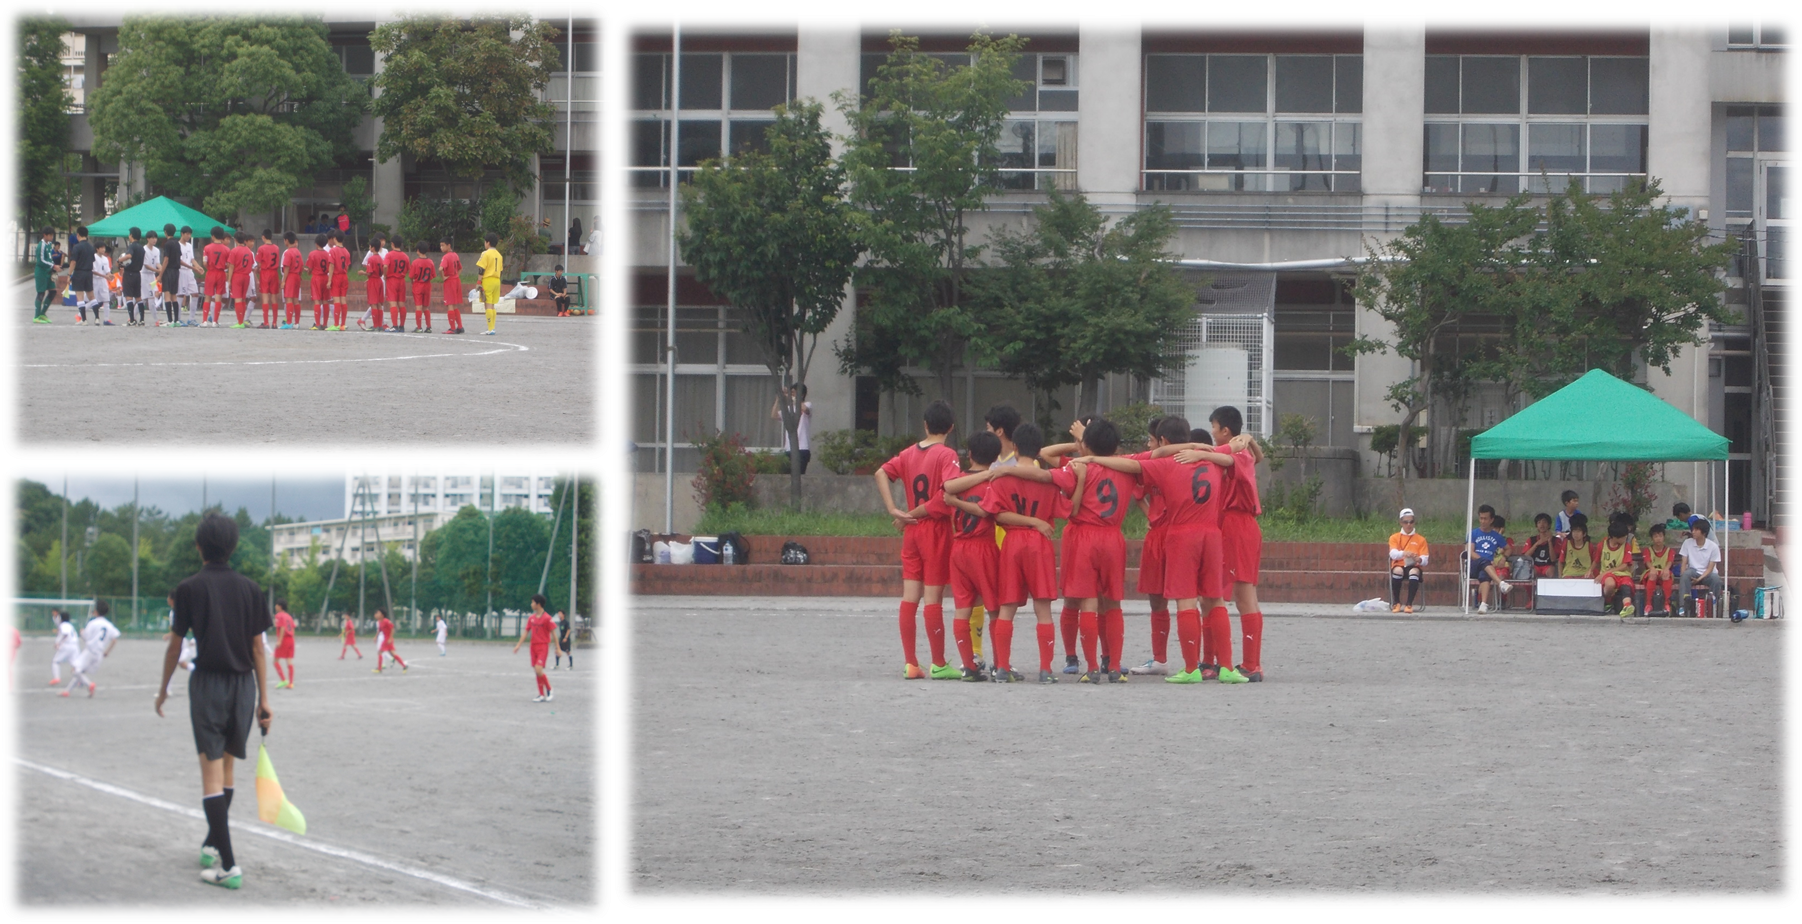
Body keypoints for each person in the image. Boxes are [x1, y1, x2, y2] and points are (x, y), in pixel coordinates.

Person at [155, 513, 273, 890]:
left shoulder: (188, 588)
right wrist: (264, 701)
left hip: (207, 684)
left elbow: (175, 647)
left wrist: (163, 689)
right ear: (234, 546)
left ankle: (229, 865)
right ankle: (211, 843)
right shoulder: (251, 589)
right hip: (243, 687)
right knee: (226, 771)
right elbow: (258, 648)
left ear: (198, 546)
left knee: (210, 774)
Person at [1080, 416, 1241, 683]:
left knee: (1185, 600)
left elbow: (1131, 464)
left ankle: (1190, 669)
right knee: (1216, 600)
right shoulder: (1212, 456)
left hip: (1182, 533)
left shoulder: (1166, 464)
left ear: (1164, 440)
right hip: (1212, 533)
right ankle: (1227, 667)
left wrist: (1093, 459)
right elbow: (1238, 449)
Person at [974, 423, 1071, 683]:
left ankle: (1003, 667)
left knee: (1007, 607)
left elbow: (995, 514)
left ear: (1014, 446)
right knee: (1044, 609)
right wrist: (1036, 521)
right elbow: (1067, 508)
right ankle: (1045, 670)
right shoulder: (1049, 479)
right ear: (1039, 450)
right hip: (1039, 544)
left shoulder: (1003, 477)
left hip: (1013, 542)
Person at [873, 399, 962, 680]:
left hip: (911, 532)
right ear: (950, 427)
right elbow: (946, 495)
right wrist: (909, 513)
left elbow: (880, 473)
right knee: (933, 596)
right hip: (934, 529)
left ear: (925, 425)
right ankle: (938, 663)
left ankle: (911, 663)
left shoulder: (908, 453)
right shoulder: (947, 455)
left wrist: (894, 510)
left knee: (910, 596)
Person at [939, 431, 1005, 681]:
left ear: (970, 454)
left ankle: (968, 666)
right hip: (984, 547)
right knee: (994, 609)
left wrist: (954, 502)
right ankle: (1000, 664)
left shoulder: (958, 480)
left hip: (959, 549)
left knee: (962, 609)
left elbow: (947, 490)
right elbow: (986, 512)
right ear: (996, 456)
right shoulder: (992, 482)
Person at [63, 600, 121, 697]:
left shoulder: (92, 623)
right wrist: (107, 652)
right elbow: (114, 640)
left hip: (90, 651)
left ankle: (89, 685)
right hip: (99, 653)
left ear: (96, 611)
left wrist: (82, 632)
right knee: (80, 672)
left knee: (75, 670)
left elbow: (86, 638)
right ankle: (67, 691)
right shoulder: (109, 625)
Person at [1466, 504, 1511, 613]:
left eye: (1485, 519)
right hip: (1473, 565)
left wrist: (1504, 557)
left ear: (1491, 520)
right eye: (1481, 518)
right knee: (1485, 563)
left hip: (1487, 568)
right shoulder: (1473, 533)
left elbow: (1508, 548)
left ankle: (1483, 604)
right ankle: (1501, 583)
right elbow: (1470, 552)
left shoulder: (1497, 536)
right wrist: (1484, 560)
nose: (1483, 521)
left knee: (1484, 574)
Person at [512, 594, 557, 701]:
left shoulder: (547, 618)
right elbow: (526, 632)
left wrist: (558, 648)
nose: (531, 604)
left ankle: (549, 689)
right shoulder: (531, 618)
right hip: (533, 647)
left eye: (533, 602)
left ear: (538, 604)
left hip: (543, 646)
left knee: (538, 669)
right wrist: (518, 645)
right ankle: (541, 694)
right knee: (536, 671)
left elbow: (554, 633)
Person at [1676, 518, 1724, 616]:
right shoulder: (1687, 543)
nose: (1693, 532)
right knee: (1686, 574)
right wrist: (1682, 574)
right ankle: (1683, 606)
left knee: (1716, 579)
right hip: (1693, 571)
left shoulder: (1713, 547)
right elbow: (1684, 562)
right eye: (1692, 529)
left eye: (1696, 530)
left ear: (1703, 532)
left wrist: (1699, 579)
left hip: (1707, 574)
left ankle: (1712, 603)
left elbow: (1710, 568)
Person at [1388, 508, 1429, 613]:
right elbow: (1392, 554)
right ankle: (1396, 602)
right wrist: (1404, 553)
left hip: (1414, 566)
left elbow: (1425, 560)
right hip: (1399, 565)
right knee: (1398, 571)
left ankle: (1409, 604)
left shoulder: (1421, 539)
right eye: (1405, 522)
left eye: (1411, 521)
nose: (1408, 524)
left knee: (1414, 572)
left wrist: (1418, 559)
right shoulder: (1394, 537)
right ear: (1401, 522)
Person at [1597, 515, 1639, 615]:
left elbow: (1625, 565)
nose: (1626, 538)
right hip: (1608, 575)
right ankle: (1608, 602)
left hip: (1623, 574)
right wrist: (1592, 571)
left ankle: (1627, 606)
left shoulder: (1626, 546)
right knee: (1610, 584)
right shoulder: (1602, 545)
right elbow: (1596, 561)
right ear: (1615, 537)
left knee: (1626, 585)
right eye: (1624, 537)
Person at [770, 384, 813, 474]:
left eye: (794, 393)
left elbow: (805, 410)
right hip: (789, 448)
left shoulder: (807, 404)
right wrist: (778, 399)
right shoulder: (789, 409)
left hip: (802, 447)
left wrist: (793, 398)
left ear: (801, 394)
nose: (792, 395)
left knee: (799, 474)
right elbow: (774, 415)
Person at [1641, 523, 1678, 616]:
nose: (1658, 539)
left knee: (1666, 575)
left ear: (1664, 537)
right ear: (1652, 538)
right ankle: (1648, 604)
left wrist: (1666, 569)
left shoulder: (1670, 551)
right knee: (1652, 574)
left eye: (1660, 536)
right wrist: (1652, 569)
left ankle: (1667, 603)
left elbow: (1669, 562)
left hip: (1663, 574)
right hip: (1651, 574)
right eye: (1655, 536)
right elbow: (1648, 562)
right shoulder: (1647, 550)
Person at [201, 228, 229, 327]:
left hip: (211, 272)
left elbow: (205, 262)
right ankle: (215, 321)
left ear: (212, 236)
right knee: (218, 296)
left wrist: (209, 267)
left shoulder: (207, 248)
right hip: (221, 273)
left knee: (208, 296)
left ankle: (204, 321)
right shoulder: (226, 249)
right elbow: (228, 264)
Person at [476, 232, 503, 335]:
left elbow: (481, 268)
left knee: (487, 304)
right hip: (497, 280)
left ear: (488, 242)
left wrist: (479, 281)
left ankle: (490, 329)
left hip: (488, 280)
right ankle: (492, 327)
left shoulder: (485, 253)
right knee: (492, 305)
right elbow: (501, 271)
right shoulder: (499, 255)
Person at [69, 225, 96, 325]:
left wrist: (69, 274)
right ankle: (97, 318)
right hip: (89, 273)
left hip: (79, 272)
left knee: (79, 297)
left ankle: (83, 319)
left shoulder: (77, 247)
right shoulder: (91, 247)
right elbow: (92, 261)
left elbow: (73, 262)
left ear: (78, 235)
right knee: (92, 297)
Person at [32, 228, 60, 322]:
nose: (52, 237)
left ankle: (43, 313)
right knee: (41, 293)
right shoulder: (41, 245)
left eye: (52, 235)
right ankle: (36, 316)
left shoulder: (49, 244)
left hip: (48, 271)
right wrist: (53, 266)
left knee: (53, 292)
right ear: (45, 235)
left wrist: (54, 267)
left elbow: (49, 258)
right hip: (41, 272)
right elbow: (41, 260)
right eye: (50, 235)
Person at [328, 230, 353, 330]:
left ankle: (336, 324)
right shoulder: (346, 251)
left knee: (336, 299)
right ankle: (342, 324)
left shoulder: (333, 251)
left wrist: (329, 280)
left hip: (336, 276)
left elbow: (331, 265)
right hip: (344, 276)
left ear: (334, 239)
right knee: (343, 299)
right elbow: (347, 266)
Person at [384, 235, 410, 331]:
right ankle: (402, 326)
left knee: (393, 303)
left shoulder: (389, 255)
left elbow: (385, 266)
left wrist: (385, 275)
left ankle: (394, 326)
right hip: (401, 280)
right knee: (401, 304)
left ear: (392, 244)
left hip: (392, 280)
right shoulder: (405, 256)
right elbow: (408, 269)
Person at [120, 228, 146, 326]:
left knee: (129, 296)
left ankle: (131, 320)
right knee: (138, 297)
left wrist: (119, 260)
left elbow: (129, 256)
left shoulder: (132, 246)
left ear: (131, 235)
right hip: (137, 274)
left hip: (129, 273)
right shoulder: (141, 248)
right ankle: (142, 319)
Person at [439, 238, 466, 334]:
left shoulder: (446, 257)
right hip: (456, 280)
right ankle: (460, 326)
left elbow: (440, 268)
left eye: (443, 245)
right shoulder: (455, 255)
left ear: (449, 245)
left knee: (450, 304)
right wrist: (456, 275)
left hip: (450, 281)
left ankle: (452, 328)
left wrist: (444, 277)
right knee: (455, 305)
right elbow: (460, 268)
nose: (441, 247)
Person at [359, 237, 386, 331]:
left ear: (373, 248)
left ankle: (375, 325)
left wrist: (363, 273)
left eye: (370, 246)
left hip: (373, 281)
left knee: (373, 303)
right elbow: (382, 271)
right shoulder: (381, 258)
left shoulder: (371, 259)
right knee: (379, 303)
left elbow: (370, 273)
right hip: (379, 280)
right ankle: (379, 325)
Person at [256, 230, 281, 329]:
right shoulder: (276, 248)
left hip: (265, 272)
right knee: (274, 298)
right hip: (274, 272)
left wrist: (257, 270)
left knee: (265, 297)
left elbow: (259, 263)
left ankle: (266, 322)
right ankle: (274, 323)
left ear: (263, 237)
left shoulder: (261, 248)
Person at [1558, 515, 1596, 580]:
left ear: (1584, 534)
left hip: (1585, 575)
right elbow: (1560, 561)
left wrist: (1590, 572)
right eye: (1574, 531)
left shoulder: (1589, 545)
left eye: (1578, 531)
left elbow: (1595, 562)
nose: (1576, 534)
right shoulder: (1566, 543)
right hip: (1569, 574)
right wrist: (1560, 577)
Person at [410, 242, 436, 332]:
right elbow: (433, 275)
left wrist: (412, 283)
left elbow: (411, 276)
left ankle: (419, 327)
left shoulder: (415, 262)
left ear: (418, 250)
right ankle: (429, 327)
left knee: (418, 306)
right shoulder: (430, 262)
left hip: (418, 285)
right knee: (425, 307)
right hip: (427, 285)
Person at [270, 599, 297, 689]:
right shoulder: (288, 616)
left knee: (275, 661)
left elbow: (282, 628)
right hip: (291, 639)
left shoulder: (279, 616)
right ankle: (291, 683)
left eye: (276, 605)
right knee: (289, 660)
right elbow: (292, 628)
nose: (275, 606)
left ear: (280, 606)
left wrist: (279, 641)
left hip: (284, 639)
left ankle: (283, 680)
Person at [142, 229, 167, 327]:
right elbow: (146, 265)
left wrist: (162, 269)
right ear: (148, 239)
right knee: (145, 299)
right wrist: (158, 271)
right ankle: (133, 317)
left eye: (155, 238)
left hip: (152, 276)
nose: (154, 240)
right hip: (144, 275)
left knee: (151, 298)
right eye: (152, 238)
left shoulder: (156, 250)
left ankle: (156, 319)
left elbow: (157, 263)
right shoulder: (144, 249)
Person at [159, 223, 182, 327]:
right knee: (174, 296)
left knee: (167, 295)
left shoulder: (167, 244)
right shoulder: (177, 243)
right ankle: (177, 320)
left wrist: (160, 274)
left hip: (168, 271)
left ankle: (170, 320)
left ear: (165, 232)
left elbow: (166, 260)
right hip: (176, 271)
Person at [178, 227, 201, 326]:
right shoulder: (177, 245)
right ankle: (178, 318)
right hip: (181, 271)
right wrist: (193, 268)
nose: (188, 236)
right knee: (180, 294)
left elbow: (192, 259)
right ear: (182, 234)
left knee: (195, 293)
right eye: (187, 234)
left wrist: (198, 267)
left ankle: (191, 318)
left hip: (190, 272)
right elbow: (180, 261)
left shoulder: (189, 245)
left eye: (190, 234)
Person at [49, 609, 80, 685]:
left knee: (55, 662)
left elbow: (65, 634)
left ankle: (56, 678)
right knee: (74, 664)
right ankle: (80, 680)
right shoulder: (70, 625)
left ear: (61, 618)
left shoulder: (64, 625)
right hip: (75, 646)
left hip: (67, 646)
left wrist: (58, 643)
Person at [371, 608, 407, 673]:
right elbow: (379, 630)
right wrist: (376, 637)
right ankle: (404, 666)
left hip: (388, 640)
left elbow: (392, 628)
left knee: (380, 652)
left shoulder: (386, 621)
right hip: (386, 639)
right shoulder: (380, 622)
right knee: (393, 654)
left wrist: (390, 638)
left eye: (378, 613)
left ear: (382, 615)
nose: (377, 614)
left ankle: (379, 669)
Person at [280, 232, 304, 328]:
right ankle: (296, 323)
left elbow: (286, 267)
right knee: (296, 299)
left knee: (288, 298)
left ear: (286, 240)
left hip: (290, 276)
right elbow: (302, 265)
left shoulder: (288, 252)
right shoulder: (298, 252)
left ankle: (289, 322)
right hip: (297, 276)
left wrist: (284, 280)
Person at [1523, 513, 1557, 578]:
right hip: (1535, 565)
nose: (1542, 525)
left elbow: (1553, 559)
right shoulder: (1531, 540)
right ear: (1536, 525)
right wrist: (1537, 543)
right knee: (1529, 572)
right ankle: (1532, 588)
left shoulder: (1555, 540)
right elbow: (1526, 556)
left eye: (1544, 522)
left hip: (1548, 565)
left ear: (1549, 525)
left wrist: (1549, 542)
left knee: (1551, 572)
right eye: (1539, 522)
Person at [91, 242, 115, 326]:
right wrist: (105, 276)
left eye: (104, 248)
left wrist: (110, 275)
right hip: (95, 280)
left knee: (106, 300)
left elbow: (107, 270)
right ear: (97, 249)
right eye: (101, 248)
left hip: (103, 281)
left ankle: (106, 319)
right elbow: (93, 271)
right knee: (93, 300)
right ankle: (80, 314)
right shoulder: (94, 257)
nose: (103, 249)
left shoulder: (105, 259)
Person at [1, 611, 20, 695]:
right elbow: (18, 642)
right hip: (10, 651)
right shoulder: (13, 629)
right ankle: (10, 688)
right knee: (8, 668)